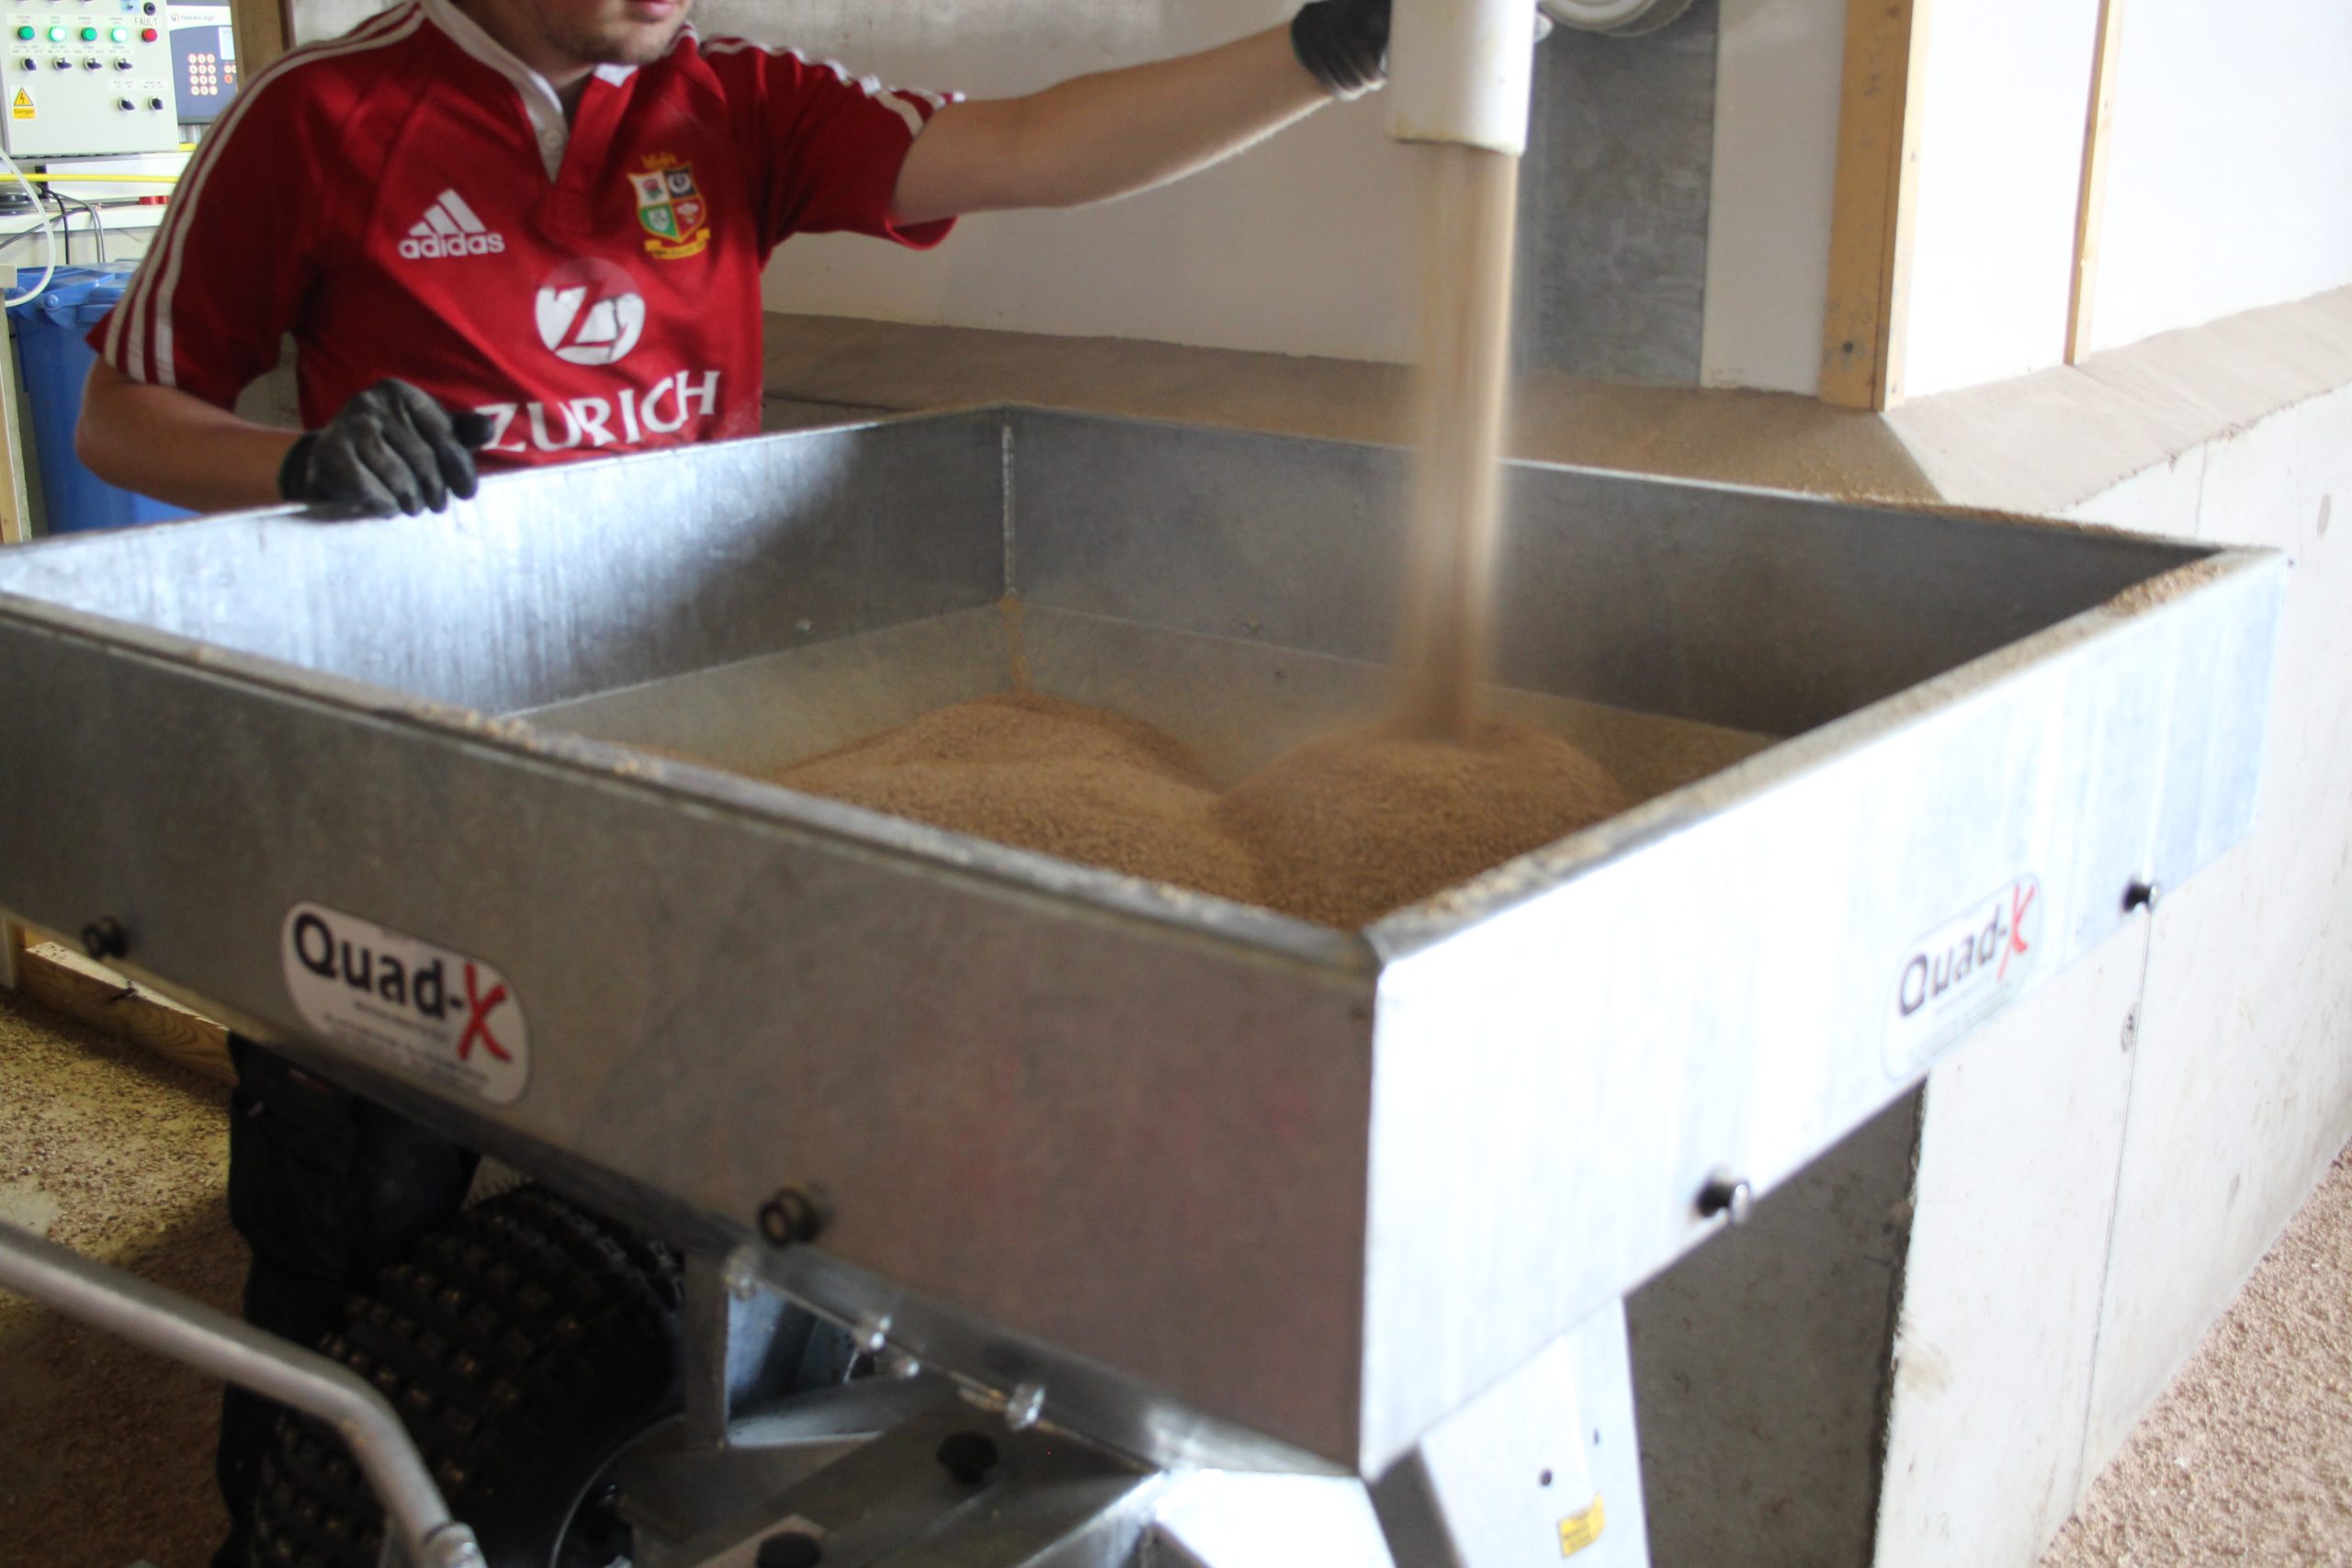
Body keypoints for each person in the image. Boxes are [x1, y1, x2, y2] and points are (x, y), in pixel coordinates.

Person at [70, 0, 1396, 1563]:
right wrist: (296, 462)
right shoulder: (318, 115)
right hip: (402, 798)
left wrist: (1329, 50)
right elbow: (122, 417)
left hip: (677, 789)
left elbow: (1032, 148)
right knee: (349, 1227)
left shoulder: (734, 103)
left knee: (679, 1212)